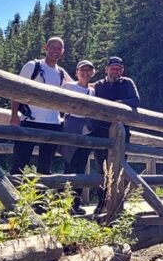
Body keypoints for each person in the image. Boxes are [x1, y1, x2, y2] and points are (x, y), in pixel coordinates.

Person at [9, 36, 73, 175]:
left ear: (62, 51)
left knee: (45, 167)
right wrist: (14, 115)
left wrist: (99, 84)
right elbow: (17, 90)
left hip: (53, 123)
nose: (55, 51)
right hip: (30, 120)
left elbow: (77, 86)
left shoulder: (61, 72)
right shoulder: (33, 66)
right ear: (46, 48)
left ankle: (41, 196)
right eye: (52, 47)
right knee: (20, 162)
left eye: (58, 48)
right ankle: (13, 195)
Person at [90, 56, 140, 210]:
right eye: (113, 68)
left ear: (122, 71)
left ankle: (118, 203)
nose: (115, 71)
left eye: (118, 69)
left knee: (120, 167)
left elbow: (136, 101)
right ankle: (102, 202)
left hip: (121, 132)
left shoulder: (127, 83)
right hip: (100, 132)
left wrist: (120, 103)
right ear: (106, 69)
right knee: (101, 168)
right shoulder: (98, 86)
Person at [59, 59, 96, 215]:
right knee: (69, 165)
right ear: (76, 73)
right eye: (82, 70)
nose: (85, 73)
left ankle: (75, 204)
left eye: (88, 70)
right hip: (71, 127)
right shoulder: (68, 86)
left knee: (81, 168)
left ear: (92, 73)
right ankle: (64, 204)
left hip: (86, 130)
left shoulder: (93, 91)